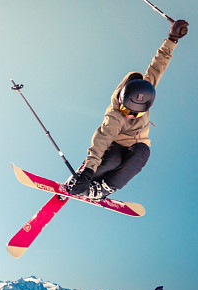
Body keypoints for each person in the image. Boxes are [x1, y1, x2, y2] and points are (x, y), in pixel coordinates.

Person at [67, 19, 189, 201]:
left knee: (142, 154)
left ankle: (103, 188)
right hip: (114, 145)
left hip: (136, 146)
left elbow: (159, 64)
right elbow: (102, 138)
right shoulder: (115, 115)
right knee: (111, 161)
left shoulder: (147, 88)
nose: (130, 115)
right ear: (123, 100)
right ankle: (83, 180)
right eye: (127, 109)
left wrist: (172, 38)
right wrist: (88, 171)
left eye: (135, 113)